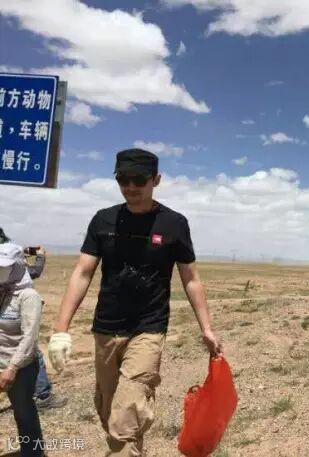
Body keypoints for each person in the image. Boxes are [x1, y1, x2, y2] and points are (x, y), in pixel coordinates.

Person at [48, 148, 223, 456]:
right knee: (108, 411)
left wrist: (206, 328)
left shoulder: (173, 223)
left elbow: (191, 278)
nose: (130, 187)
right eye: (123, 180)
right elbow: (83, 272)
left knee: (125, 417)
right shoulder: (103, 220)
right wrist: (60, 329)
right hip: (106, 329)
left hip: (148, 329)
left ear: (156, 179)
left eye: (139, 180)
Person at [0, 228, 67, 411]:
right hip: (14, 305)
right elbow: (34, 269)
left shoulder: (10, 252)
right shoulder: (11, 254)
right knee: (31, 351)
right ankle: (42, 395)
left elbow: (26, 252)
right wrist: (40, 256)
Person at [0, 242, 45, 457]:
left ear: (18, 266)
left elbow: (30, 337)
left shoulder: (28, 296)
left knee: (24, 413)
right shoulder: (2, 292)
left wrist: (12, 367)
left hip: (18, 368)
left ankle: (33, 452)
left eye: (4, 267)